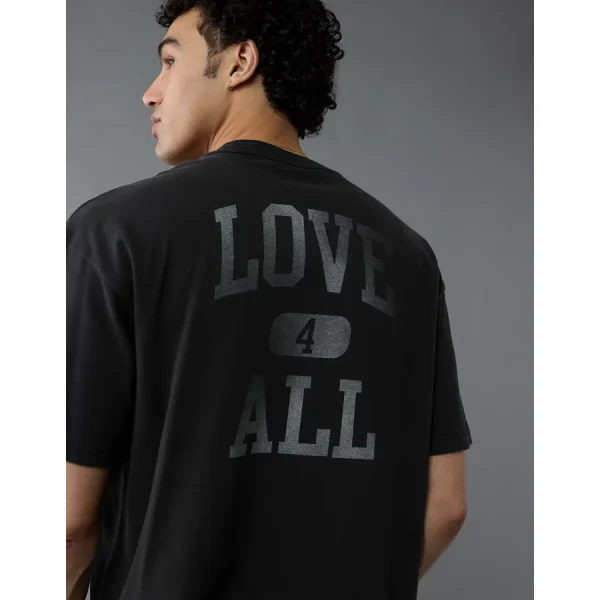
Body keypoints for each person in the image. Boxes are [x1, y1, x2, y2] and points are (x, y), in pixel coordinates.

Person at [66, 1, 473, 599]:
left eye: (170, 62)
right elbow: (446, 505)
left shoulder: (114, 233)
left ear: (240, 62)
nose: (151, 93)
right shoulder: (410, 257)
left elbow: (68, 520)